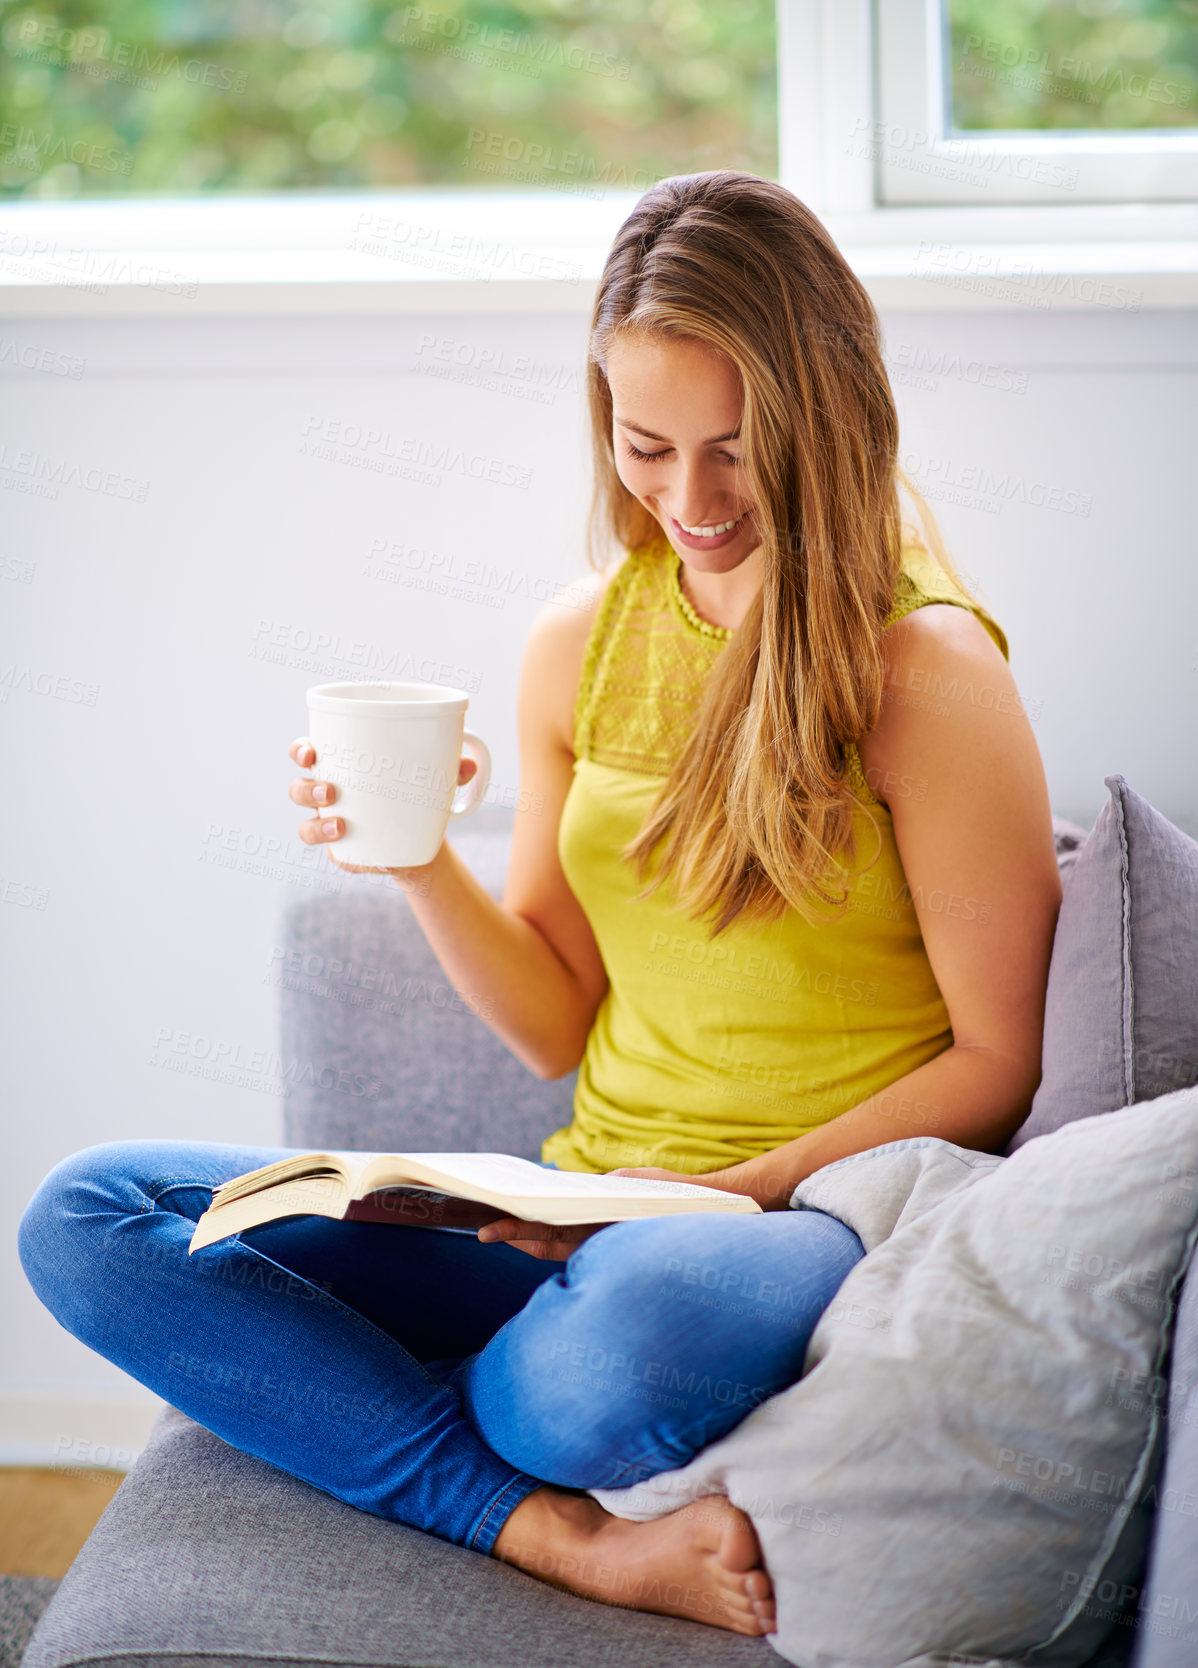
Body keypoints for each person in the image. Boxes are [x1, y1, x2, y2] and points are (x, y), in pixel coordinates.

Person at [18, 171, 1061, 1640]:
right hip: (573, 1202)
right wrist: (418, 855)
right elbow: (552, 1019)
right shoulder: (576, 642)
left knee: (608, 1362)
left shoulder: (927, 673)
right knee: (91, 1213)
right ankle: (552, 1536)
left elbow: (994, 1062)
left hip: (780, 1221)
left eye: (735, 452)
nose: (689, 503)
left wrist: (733, 1190)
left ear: (826, 419)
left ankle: (431, 1419)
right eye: (646, 448)